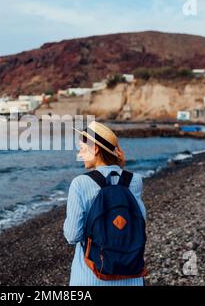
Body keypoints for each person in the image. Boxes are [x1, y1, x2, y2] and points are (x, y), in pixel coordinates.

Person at [63, 121, 147, 286]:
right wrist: (120, 166)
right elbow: (136, 220)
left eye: (82, 147)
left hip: (92, 277)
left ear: (95, 149)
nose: (79, 152)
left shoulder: (80, 183)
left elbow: (73, 236)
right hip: (131, 276)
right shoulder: (135, 180)